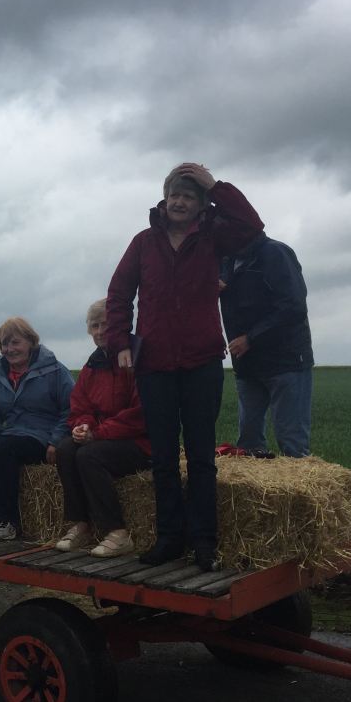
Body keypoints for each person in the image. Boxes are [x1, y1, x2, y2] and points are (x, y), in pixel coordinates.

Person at [107, 163, 263, 571]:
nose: (179, 202)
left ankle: (204, 542)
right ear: (164, 199)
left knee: (201, 456)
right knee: (162, 457)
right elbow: (119, 293)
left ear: (201, 204)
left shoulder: (214, 237)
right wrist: (120, 342)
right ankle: (169, 539)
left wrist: (217, 186)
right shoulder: (143, 242)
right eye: (174, 195)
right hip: (154, 365)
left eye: (189, 196)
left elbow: (251, 226)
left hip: (201, 363)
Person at [54, 300, 152, 558]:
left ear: (119, 326)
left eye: (105, 325)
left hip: (141, 442)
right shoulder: (93, 365)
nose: (99, 332)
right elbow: (80, 405)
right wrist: (83, 426)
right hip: (103, 436)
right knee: (66, 449)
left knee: (89, 455)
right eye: (94, 326)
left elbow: (140, 414)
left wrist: (98, 433)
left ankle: (117, 532)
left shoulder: (137, 358)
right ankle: (81, 524)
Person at [0, 317, 73, 541]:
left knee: (6, 447)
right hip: (11, 432)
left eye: (15, 342)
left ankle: (9, 520)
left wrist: (56, 441)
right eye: (4, 344)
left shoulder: (54, 371)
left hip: (42, 436)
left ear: (31, 342)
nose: (9, 349)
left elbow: (71, 409)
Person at [219, 233, 314, 457]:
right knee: (249, 444)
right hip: (247, 364)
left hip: (285, 361)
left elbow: (294, 306)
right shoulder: (226, 260)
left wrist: (251, 338)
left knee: (292, 443)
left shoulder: (275, 253)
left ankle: (297, 480)